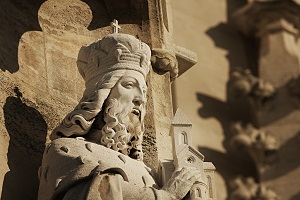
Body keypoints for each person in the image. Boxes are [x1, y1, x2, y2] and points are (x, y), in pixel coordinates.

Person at [38, 33, 201, 200]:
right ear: (101, 94)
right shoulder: (65, 150)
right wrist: (166, 196)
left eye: (144, 91)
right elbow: (97, 190)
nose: (140, 98)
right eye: (129, 85)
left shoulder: (151, 172)